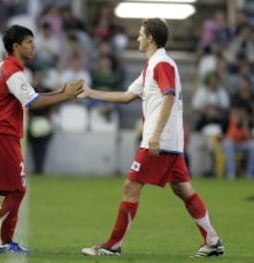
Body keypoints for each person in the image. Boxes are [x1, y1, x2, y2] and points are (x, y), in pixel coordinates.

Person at [79, 18, 224, 258]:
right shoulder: (152, 65)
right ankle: (212, 240)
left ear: (151, 38)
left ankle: (112, 245)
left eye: (141, 33)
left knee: (131, 186)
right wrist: (89, 93)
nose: (137, 37)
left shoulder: (162, 64)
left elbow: (169, 96)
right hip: (169, 142)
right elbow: (126, 96)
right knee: (183, 189)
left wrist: (155, 135)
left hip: (160, 141)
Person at [0, 24, 83, 254]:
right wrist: (65, 96)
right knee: (15, 189)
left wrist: (61, 92)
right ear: (16, 46)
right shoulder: (13, 71)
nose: (34, 46)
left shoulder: (9, 68)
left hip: (2, 135)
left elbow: (32, 96)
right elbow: (33, 102)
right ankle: (2, 242)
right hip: (2, 135)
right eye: (29, 42)